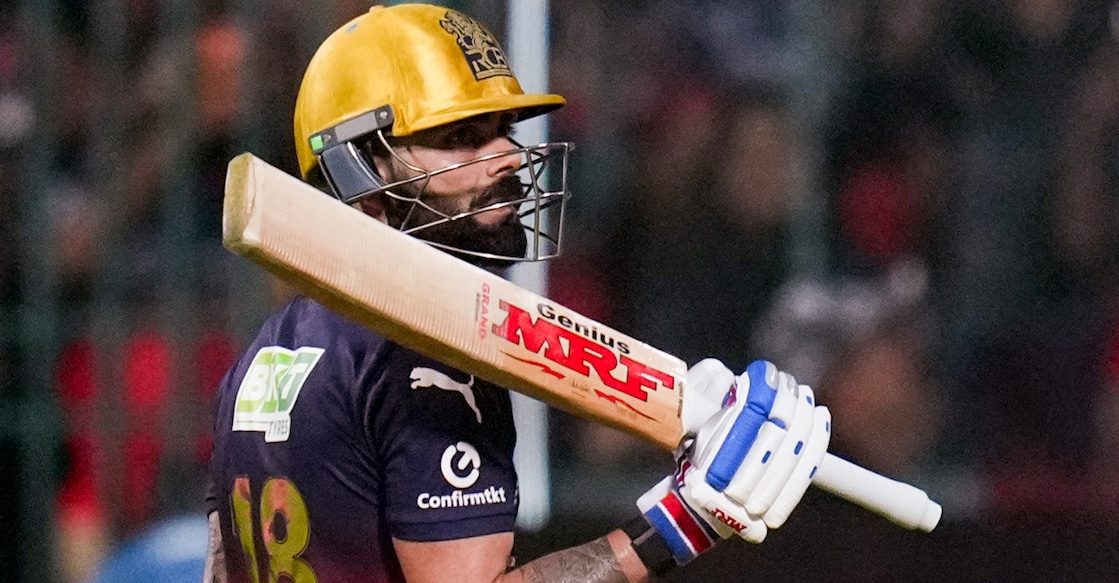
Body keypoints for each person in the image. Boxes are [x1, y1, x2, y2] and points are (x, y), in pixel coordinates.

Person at [202, 5, 832, 582]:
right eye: (459, 138)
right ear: (360, 172)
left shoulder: (265, 351)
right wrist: (683, 521)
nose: (506, 154)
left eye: (502, 128)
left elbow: (220, 569)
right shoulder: (426, 353)